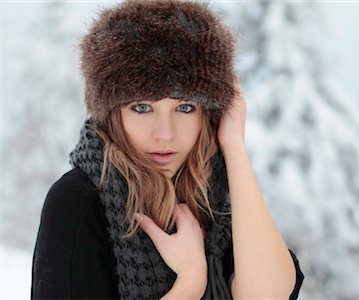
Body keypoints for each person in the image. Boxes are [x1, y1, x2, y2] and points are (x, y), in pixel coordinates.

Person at [31, 0, 305, 299]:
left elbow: (270, 294)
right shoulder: (78, 202)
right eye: (142, 107)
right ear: (113, 114)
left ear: (207, 114)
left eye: (185, 107)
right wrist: (189, 285)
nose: (165, 134)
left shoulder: (219, 198)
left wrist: (234, 146)